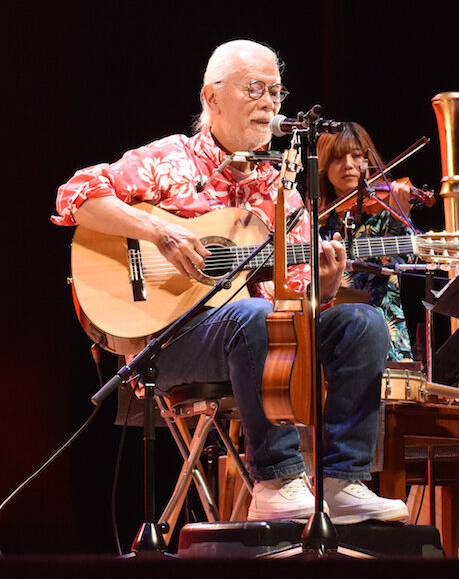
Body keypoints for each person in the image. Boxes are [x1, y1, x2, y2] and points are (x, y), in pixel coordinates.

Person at [53, 39, 408, 525]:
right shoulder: (169, 160)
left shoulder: (284, 190)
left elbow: (296, 300)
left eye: (277, 93)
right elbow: (77, 194)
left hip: (259, 341)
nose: (269, 104)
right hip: (170, 339)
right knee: (252, 316)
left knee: (363, 323)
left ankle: (343, 480)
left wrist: (322, 291)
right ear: (212, 98)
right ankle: (278, 479)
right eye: (255, 89)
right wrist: (159, 231)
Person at [318, 123, 416, 362]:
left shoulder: (385, 211)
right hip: (328, 339)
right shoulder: (315, 222)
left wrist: (398, 218)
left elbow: (404, 263)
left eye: (357, 156)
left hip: (383, 337)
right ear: (323, 166)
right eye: (338, 158)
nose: (349, 165)